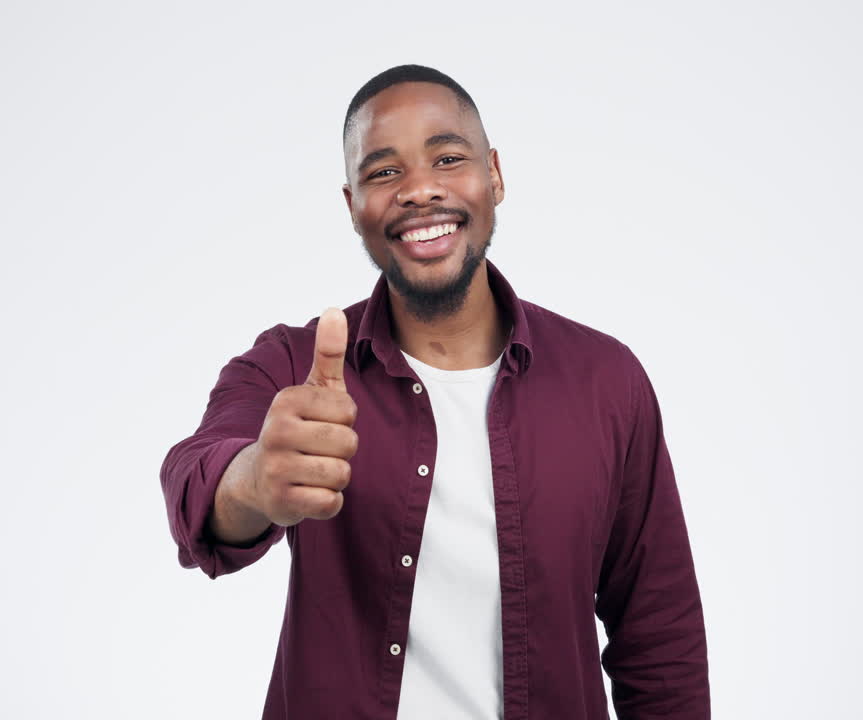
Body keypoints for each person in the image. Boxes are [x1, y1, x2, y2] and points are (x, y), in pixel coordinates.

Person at [159, 64, 710, 719]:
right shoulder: (292, 365)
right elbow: (194, 486)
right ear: (352, 206)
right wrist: (254, 481)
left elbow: (660, 636)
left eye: (447, 158)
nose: (419, 189)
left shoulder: (606, 382)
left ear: (495, 175)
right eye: (383, 172)